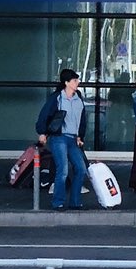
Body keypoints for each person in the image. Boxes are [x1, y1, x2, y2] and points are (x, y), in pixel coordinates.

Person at [36, 68, 90, 210]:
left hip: (73, 138)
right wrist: (42, 132)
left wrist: (80, 136)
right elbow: (44, 114)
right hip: (59, 137)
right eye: (74, 80)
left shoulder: (78, 97)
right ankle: (58, 201)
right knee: (63, 169)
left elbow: (82, 118)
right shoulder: (57, 97)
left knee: (81, 168)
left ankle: (75, 201)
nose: (77, 82)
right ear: (66, 82)